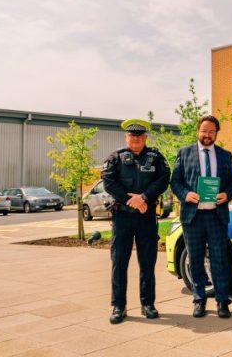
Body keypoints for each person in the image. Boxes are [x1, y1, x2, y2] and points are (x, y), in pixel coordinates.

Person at [101, 118, 171, 324]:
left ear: (145, 138)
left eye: (140, 136)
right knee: (119, 263)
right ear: (126, 137)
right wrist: (132, 200)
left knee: (147, 263)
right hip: (122, 217)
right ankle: (118, 306)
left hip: (146, 217)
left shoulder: (155, 157)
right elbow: (108, 181)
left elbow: (164, 178)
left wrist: (145, 198)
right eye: (132, 135)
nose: (136, 139)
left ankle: (148, 304)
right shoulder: (116, 157)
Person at [170, 115, 232, 319]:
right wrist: (185, 195)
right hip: (193, 216)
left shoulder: (225, 155)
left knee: (219, 260)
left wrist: (227, 194)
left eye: (211, 131)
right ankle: (199, 300)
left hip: (217, 216)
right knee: (195, 259)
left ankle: (222, 301)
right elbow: (175, 182)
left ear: (216, 133)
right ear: (197, 131)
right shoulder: (184, 153)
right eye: (204, 131)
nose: (207, 135)